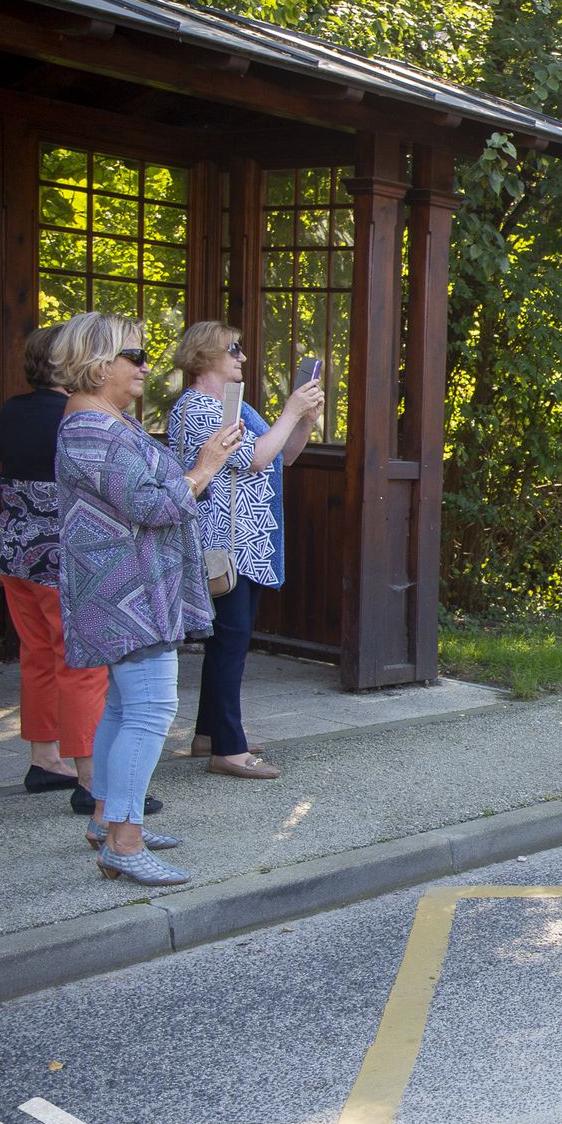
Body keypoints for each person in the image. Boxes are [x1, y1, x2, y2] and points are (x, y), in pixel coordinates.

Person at [51, 313, 245, 886]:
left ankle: (104, 818)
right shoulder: (89, 429)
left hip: (134, 591)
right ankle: (124, 841)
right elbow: (154, 506)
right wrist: (204, 467)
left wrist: (197, 468)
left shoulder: (105, 421)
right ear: (96, 362)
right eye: (133, 357)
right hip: (124, 596)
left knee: (122, 707)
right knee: (151, 711)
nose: (144, 366)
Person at [166, 321, 325, 780]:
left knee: (229, 639)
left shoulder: (234, 404)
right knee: (230, 641)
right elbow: (252, 459)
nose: (243, 357)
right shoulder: (196, 408)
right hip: (223, 544)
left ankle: (208, 735)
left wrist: (305, 418)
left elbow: (281, 456)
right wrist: (291, 410)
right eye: (233, 349)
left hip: (249, 543)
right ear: (205, 355)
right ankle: (228, 750)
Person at [0, 327, 108, 803]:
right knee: (83, 661)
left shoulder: (13, 409)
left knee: (38, 654)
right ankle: (90, 779)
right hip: (62, 553)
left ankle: (45, 760)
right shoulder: (73, 414)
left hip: (14, 545)